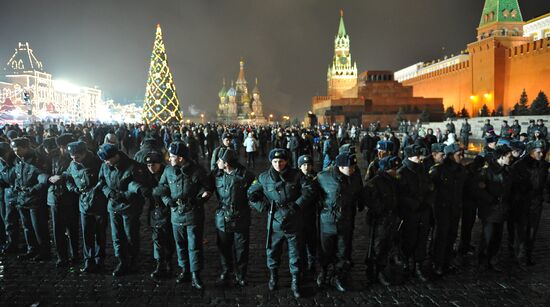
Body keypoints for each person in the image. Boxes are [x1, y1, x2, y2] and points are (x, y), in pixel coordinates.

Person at [248, 149, 314, 298]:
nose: (279, 164)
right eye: (275, 161)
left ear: (287, 161)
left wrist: (297, 205)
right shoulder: (264, 177)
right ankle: (273, 276)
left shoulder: (297, 175)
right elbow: (251, 193)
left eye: (282, 161)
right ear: (271, 161)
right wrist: (262, 206)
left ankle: (295, 281)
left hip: (294, 219)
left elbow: (309, 190)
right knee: (272, 251)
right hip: (275, 221)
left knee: (295, 253)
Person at [158, 142, 213, 290]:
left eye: (172, 156)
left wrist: (200, 199)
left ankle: (196, 274)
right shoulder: (168, 170)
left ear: (181, 158)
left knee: (194, 245)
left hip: (193, 213)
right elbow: (162, 187)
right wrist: (167, 201)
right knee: (180, 245)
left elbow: (207, 188)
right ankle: (185, 271)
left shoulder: (197, 171)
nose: (170, 159)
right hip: (175, 214)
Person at [98, 143, 151, 276]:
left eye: (108, 159)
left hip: (129, 207)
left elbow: (139, 188)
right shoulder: (105, 165)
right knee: (117, 237)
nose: (106, 162)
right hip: (113, 206)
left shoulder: (133, 167)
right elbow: (102, 182)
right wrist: (108, 193)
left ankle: (133, 260)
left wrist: (122, 195)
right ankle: (122, 261)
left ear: (116, 156)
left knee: (130, 235)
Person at [316, 152, 365, 292]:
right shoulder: (323, 177)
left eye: (354, 166)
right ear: (341, 166)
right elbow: (314, 195)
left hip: (347, 220)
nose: (354, 169)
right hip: (327, 221)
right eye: (351, 167)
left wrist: (361, 203)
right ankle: (324, 272)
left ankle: (339, 275)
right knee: (326, 249)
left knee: (344, 250)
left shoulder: (354, 176)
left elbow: (359, 191)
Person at [212, 149, 254, 286]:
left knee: (241, 248)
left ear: (226, 163)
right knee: (223, 247)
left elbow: (255, 188)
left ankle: (241, 274)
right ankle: (226, 270)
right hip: (223, 217)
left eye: (219, 160)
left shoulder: (245, 175)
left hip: (240, 216)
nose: (217, 162)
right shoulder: (216, 174)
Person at [66, 141, 108, 273]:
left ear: (84, 153)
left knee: (100, 234)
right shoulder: (72, 164)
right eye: (72, 157)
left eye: (77, 156)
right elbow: (68, 178)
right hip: (83, 203)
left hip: (99, 203)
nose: (74, 159)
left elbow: (105, 179)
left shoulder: (97, 162)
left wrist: (96, 190)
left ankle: (99, 260)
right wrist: (73, 189)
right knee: (87, 234)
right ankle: (88, 261)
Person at [396, 144, 434, 282]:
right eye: (417, 156)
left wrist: (427, 201)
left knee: (422, 239)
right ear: (410, 156)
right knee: (409, 239)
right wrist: (414, 203)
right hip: (409, 212)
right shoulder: (402, 172)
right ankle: (406, 264)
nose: (420, 158)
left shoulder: (422, 170)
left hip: (423, 211)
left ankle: (418, 265)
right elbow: (399, 194)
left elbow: (430, 187)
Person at [364, 156, 403, 286]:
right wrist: (382, 210)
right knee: (377, 246)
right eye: (394, 168)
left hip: (391, 218)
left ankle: (382, 268)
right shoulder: (376, 182)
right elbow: (369, 200)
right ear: (386, 169)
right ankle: (375, 271)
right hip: (380, 220)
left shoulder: (394, 181)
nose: (396, 170)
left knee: (387, 245)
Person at [429, 144, 466, 276]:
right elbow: (430, 190)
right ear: (450, 156)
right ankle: (436, 263)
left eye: (462, 154)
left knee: (452, 236)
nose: (462, 157)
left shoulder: (462, 170)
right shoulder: (438, 170)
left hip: (455, 208)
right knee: (440, 237)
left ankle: (447, 262)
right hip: (441, 209)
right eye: (458, 154)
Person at [12, 137, 51, 261]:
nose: (16, 153)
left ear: (26, 148)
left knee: (39, 227)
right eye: (14, 150)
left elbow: (43, 179)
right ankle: (32, 249)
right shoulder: (18, 160)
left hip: (35, 199)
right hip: (23, 199)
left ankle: (44, 251)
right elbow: (18, 176)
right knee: (27, 227)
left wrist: (33, 189)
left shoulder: (37, 160)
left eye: (18, 150)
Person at [509, 140, 548, 266]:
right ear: (531, 152)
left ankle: (528, 255)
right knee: (521, 231)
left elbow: (545, 184)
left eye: (542, 152)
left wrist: (544, 195)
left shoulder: (543, 165)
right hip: (522, 203)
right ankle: (519, 255)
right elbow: (513, 186)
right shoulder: (519, 165)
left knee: (532, 231)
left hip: (536, 203)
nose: (541, 154)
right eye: (538, 152)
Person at [476, 145, 513, 271]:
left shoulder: (507, 170)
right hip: (490, 210)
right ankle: (483, 260)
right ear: (501, 157)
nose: (511, 158)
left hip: (502, 209)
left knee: (497, 236)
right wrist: (491, 199)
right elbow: (480, 189)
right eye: (509, 156)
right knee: (488, 236)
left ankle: (492, 259)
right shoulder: (487, 170)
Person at [44, 136, 80, 267]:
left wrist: (64, 177)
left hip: (70, 197)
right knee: (58, 229)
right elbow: (42, 172)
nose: (63, 149)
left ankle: (75, 254)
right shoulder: (51, 157)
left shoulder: (75, 157)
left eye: (65, 147)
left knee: (73, 228)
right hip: (55, 196)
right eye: (62, 147)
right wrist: (49, 178)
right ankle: (62, 256)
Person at [145, 151, 175, 279]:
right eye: (148, 165)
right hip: (154, 210)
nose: (150, 167)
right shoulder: (147, 175)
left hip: (167, 210)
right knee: (156, 238)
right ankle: (159, 263)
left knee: (168, 238)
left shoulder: (167, 173)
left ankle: (168, 261)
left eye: (153, 164)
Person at [297, 154, 318, 275]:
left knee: (311, 240)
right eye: (304, 165)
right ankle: (302, 263)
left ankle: (312, 263)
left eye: (309, 165)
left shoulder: (316, 177)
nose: (306, 167)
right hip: (298, 214)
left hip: (311, 213)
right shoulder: (295, 177)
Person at [0, 142, 19, 255]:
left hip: (17, 193)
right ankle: (12, 243)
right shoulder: (2, 163)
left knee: (27, 223)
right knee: (9, 220)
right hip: (7, 194)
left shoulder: (17, 161)